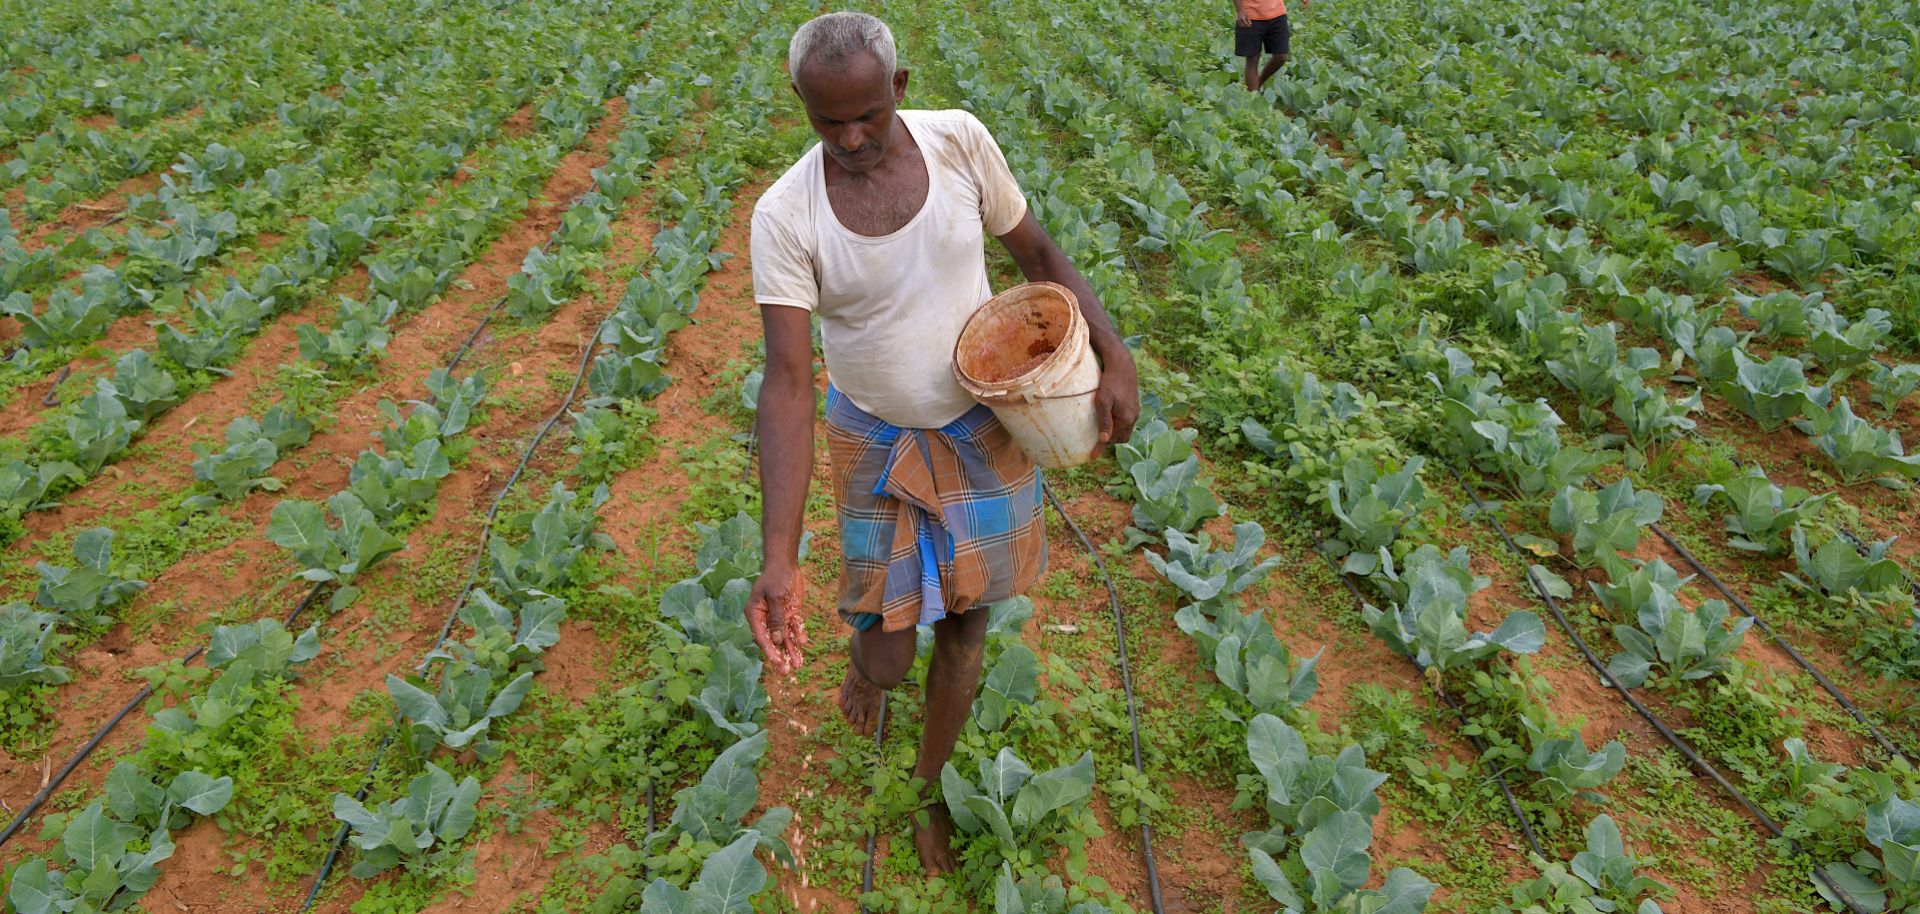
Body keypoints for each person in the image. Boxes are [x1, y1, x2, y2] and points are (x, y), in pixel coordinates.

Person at [744, 11, 1139, 876]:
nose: (849, 138)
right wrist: (778, 556)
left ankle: (926, 787)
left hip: (980, 424)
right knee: (887, 654)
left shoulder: (959, 143)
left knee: (965, 627)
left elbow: (1036, 249)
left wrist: (1114, 352)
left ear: (900, 89)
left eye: (868, 117)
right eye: (826, 121)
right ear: (801, 107)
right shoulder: (785, 216)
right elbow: (786, 379)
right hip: (872, 435)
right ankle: (869, 670)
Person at [1236, 0, 1306, 91]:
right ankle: (1253, 97)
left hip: (1278, 13)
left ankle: (1257, 85)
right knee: (1252, 59)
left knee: (1281, 56)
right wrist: (1240, 10)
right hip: (1250, 15)